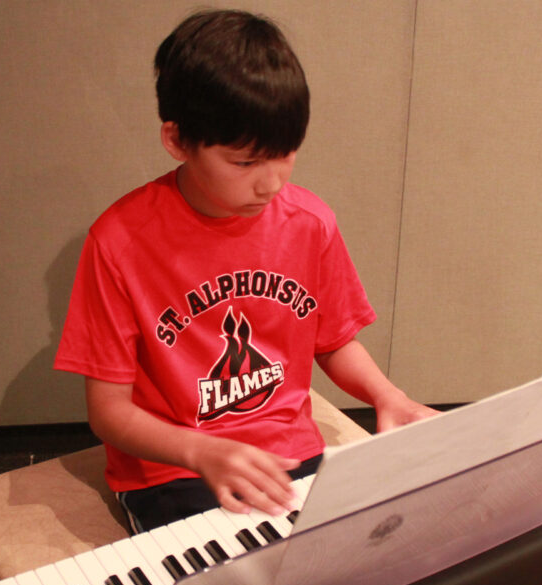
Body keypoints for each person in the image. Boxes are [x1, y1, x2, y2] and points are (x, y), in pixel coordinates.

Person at [54, 9, 435, 534]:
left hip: (287, 452)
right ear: (177, 140)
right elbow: (109, 412)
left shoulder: (310, 223)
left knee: (382, 553)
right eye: (245, 163)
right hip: (176, 468)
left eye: (286, 155)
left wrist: (387, 397)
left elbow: (333, 340)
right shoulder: (119, 242)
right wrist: (202, 452)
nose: (271, 184)